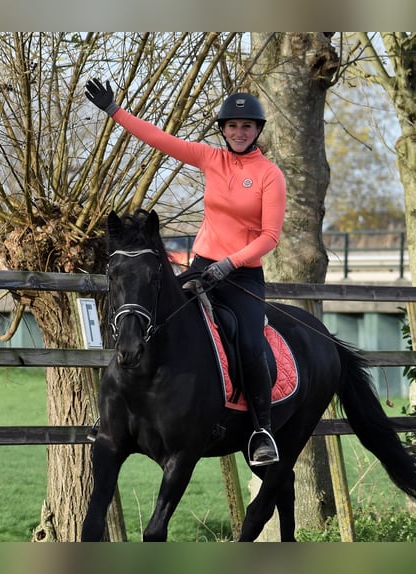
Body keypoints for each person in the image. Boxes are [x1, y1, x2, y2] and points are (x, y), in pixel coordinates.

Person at [86, 79, 287, 466]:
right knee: (147, 320)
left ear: (257, 130)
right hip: (201, 267)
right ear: (223, 130)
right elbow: (159, 139)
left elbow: (270, 236)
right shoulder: (211, 158)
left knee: (248, 343)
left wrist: (231, 263)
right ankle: (113, 414)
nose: (239, 132)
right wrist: (114, 111)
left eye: (246, 126)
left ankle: (262, 430)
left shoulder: (269, 175)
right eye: (232, 126)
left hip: (242, 277)